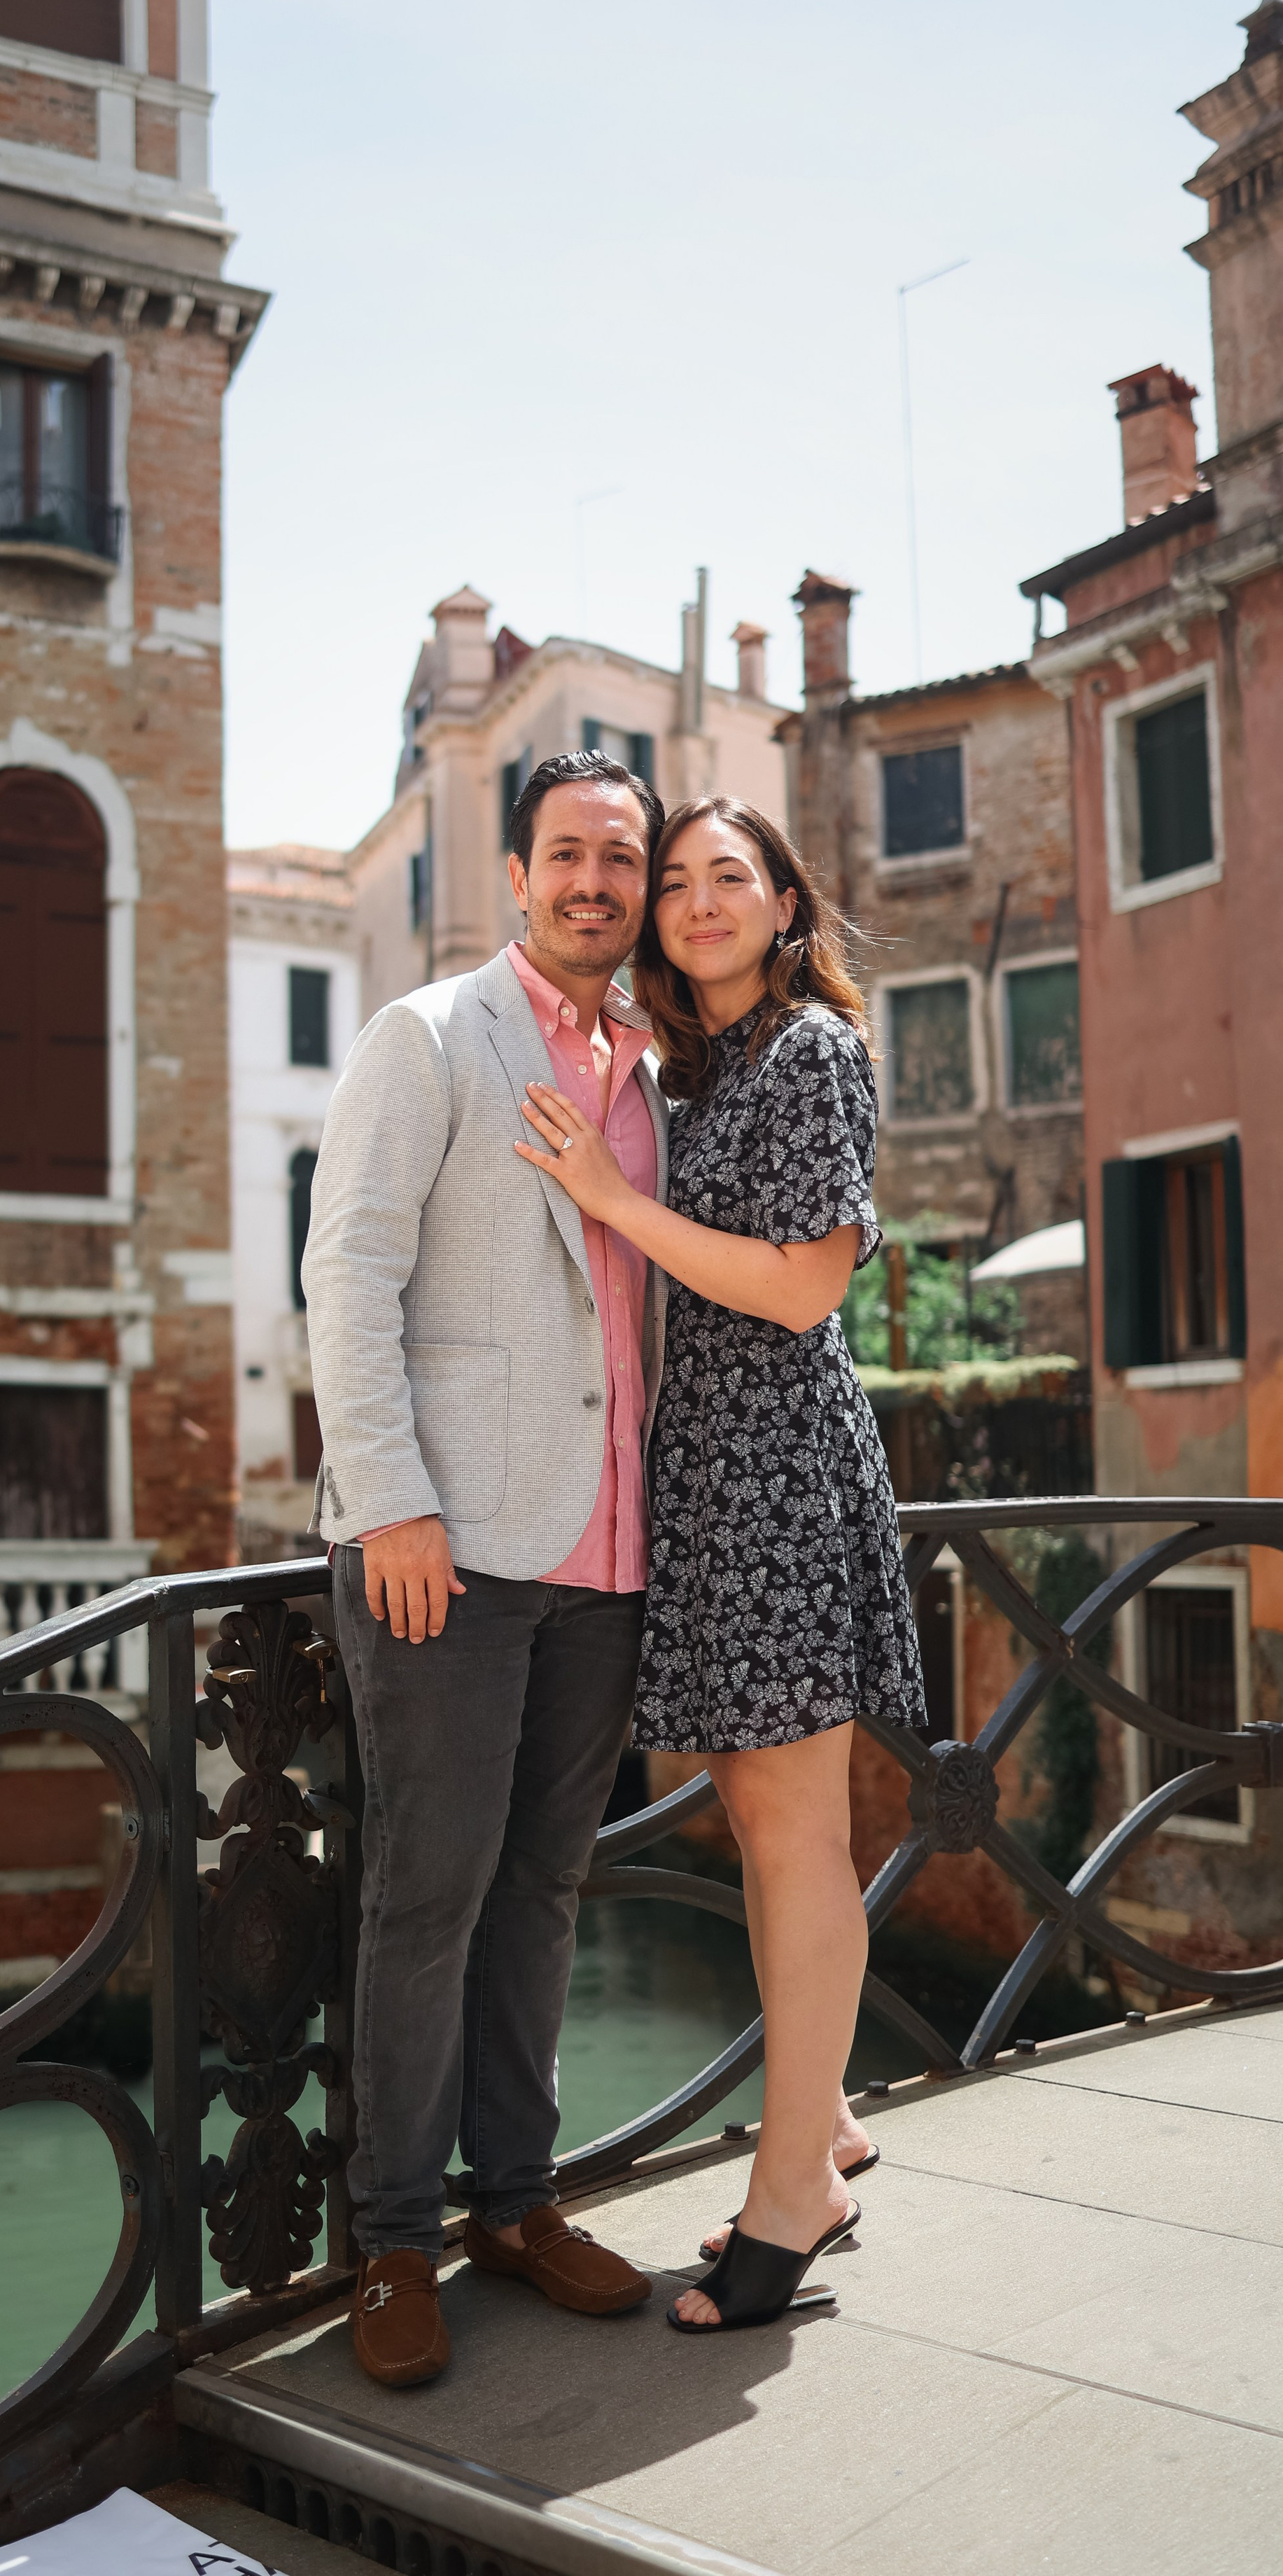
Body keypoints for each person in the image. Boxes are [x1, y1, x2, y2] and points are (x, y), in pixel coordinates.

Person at [513, 794, 923, 2337]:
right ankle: (822, 2123)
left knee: (792, 1834)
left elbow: (805, 1288)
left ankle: (790, 2193)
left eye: (726, 876)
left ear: (784, 905)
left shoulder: (810, 1051)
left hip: (778, 1475)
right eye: (672, 878)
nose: (693, 900)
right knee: (763, 1829)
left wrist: (613, 1203)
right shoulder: (699, 1066)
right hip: (709, 1480)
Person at [303, 749, 668, 2388]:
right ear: (516, 876)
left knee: (540, 1891)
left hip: (606, 1550)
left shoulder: (651, 1071)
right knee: (427, 1890)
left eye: (620, 859)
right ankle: (391, 2242)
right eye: (566, 854)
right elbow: (348, 1267)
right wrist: (387, 1499)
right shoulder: (429, 1035)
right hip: (440, 1550)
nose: (594, 881)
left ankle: (516, 2202)